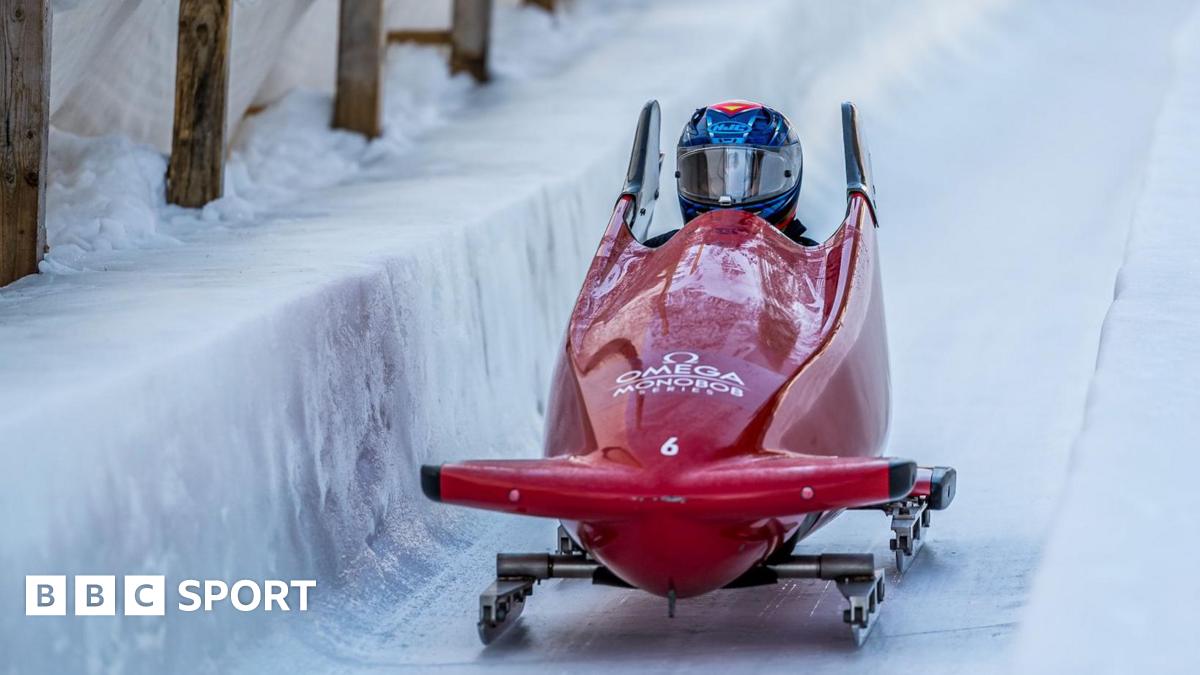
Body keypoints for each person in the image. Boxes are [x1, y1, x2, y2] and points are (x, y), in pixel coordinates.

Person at [645, 100, 817, 247]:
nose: (727, 197)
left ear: (788, 174)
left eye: (747, 180)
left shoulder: (817, 263)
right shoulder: (658, 254)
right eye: (712, 179)